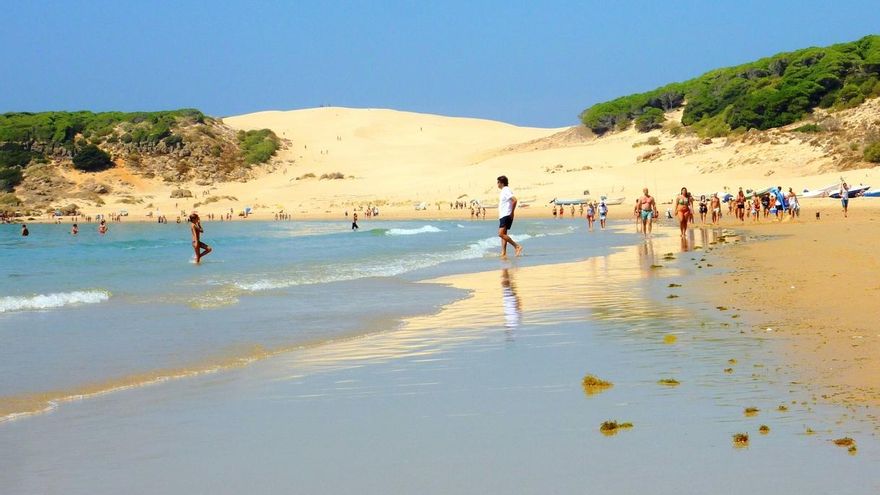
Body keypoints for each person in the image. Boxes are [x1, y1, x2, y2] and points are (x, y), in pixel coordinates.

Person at [496, 175, 522, 257]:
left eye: (498, 182)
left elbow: (514, 200)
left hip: (506, 214)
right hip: (504, 215)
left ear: (502, 183)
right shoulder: (504, 190)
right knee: (504, 234)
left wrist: (512, 212)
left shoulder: (505, 190)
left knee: (500, 234)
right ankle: (503, 252)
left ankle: (517, 246)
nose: (497, 184)